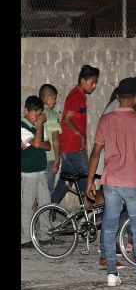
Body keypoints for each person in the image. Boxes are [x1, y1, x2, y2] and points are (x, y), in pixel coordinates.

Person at [85, 77, 136, 290]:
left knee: (109, 228)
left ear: (117, 97)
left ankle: (111, 274)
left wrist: (90, 181)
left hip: (110, 182)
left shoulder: (105, 120)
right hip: (133, 183)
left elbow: (95, 152)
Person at [51, 64, 99, 205]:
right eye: (92, 82)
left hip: (70, 148)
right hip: (73, 149)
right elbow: (66, 119)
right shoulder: (75, 95)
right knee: (86, 182)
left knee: (65, 183)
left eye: (96, 82)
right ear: (83, 80)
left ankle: (49, 214)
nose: (94, 86)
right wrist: (81, 136)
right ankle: (93, 219)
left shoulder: (80, 95)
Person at [21, 96, 51, 246]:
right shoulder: (22, 125)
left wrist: (36, 142)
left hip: (41, 171)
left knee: (45, 203)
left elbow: (47, 145)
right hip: (28, 173)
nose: (36, 117)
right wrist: (39, 126)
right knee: (26, 206)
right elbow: (39, 142)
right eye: (34, 114)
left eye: (39, 114)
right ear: (25, 111)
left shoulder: (39, 125)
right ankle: (25, 238)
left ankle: (44, 235)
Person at [38, 84, 61, 195]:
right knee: (47, 191)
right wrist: (57, 158)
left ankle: (35, 213)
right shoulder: (52, 114)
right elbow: (55, 138)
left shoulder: (34, 113)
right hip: (49, 157)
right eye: (54, 98)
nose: (55, 101)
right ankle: (46, 213)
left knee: (35, 192)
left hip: (35, 158)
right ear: (47, 98)